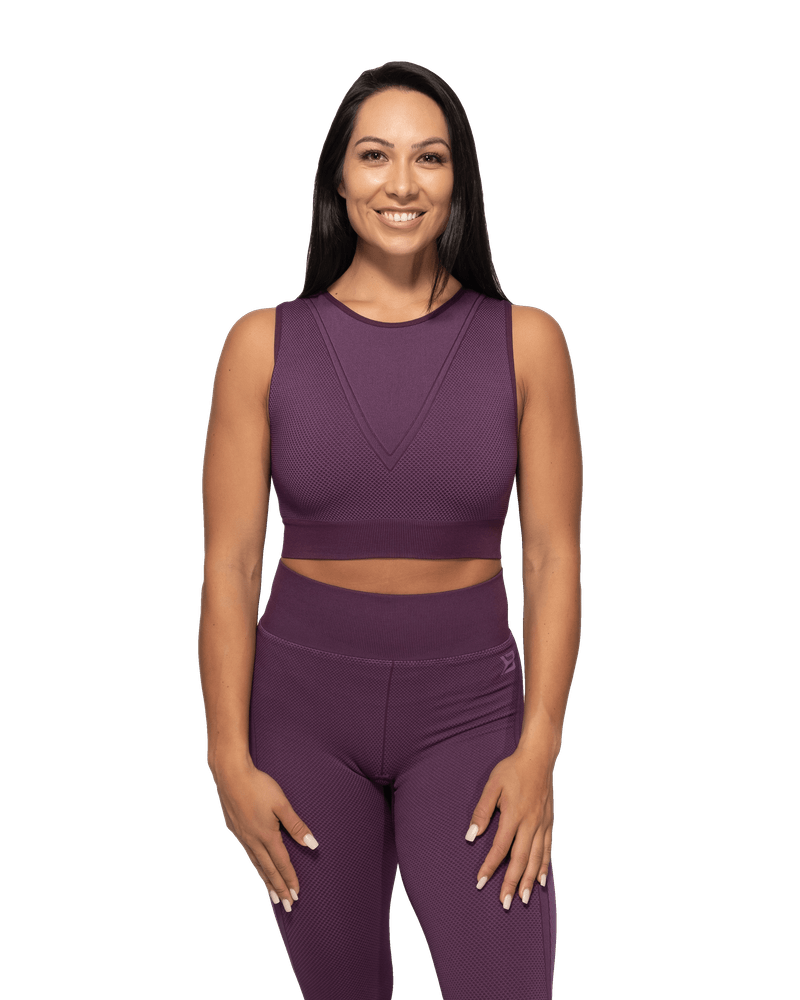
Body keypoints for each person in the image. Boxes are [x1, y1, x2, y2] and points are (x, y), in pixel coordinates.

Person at [198, 59, 582, 1000]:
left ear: (459, 181)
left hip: (470, 713)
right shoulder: (261, 344)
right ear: (338, 178)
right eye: (374, 156)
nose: (401, 184)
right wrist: (226, 757)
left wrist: (539, 747)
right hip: (300, 715)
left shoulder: (527, 341)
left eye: (429, 158)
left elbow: (552, 557)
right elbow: (230, 564)